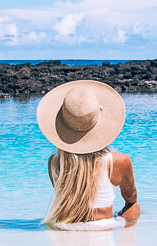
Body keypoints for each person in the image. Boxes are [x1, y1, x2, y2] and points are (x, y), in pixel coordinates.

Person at [36, 80, 141, 229]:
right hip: (102, 229)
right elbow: (131, 198)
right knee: (134, 206)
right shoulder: (119, 161)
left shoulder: (54, 162)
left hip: (64, 227)